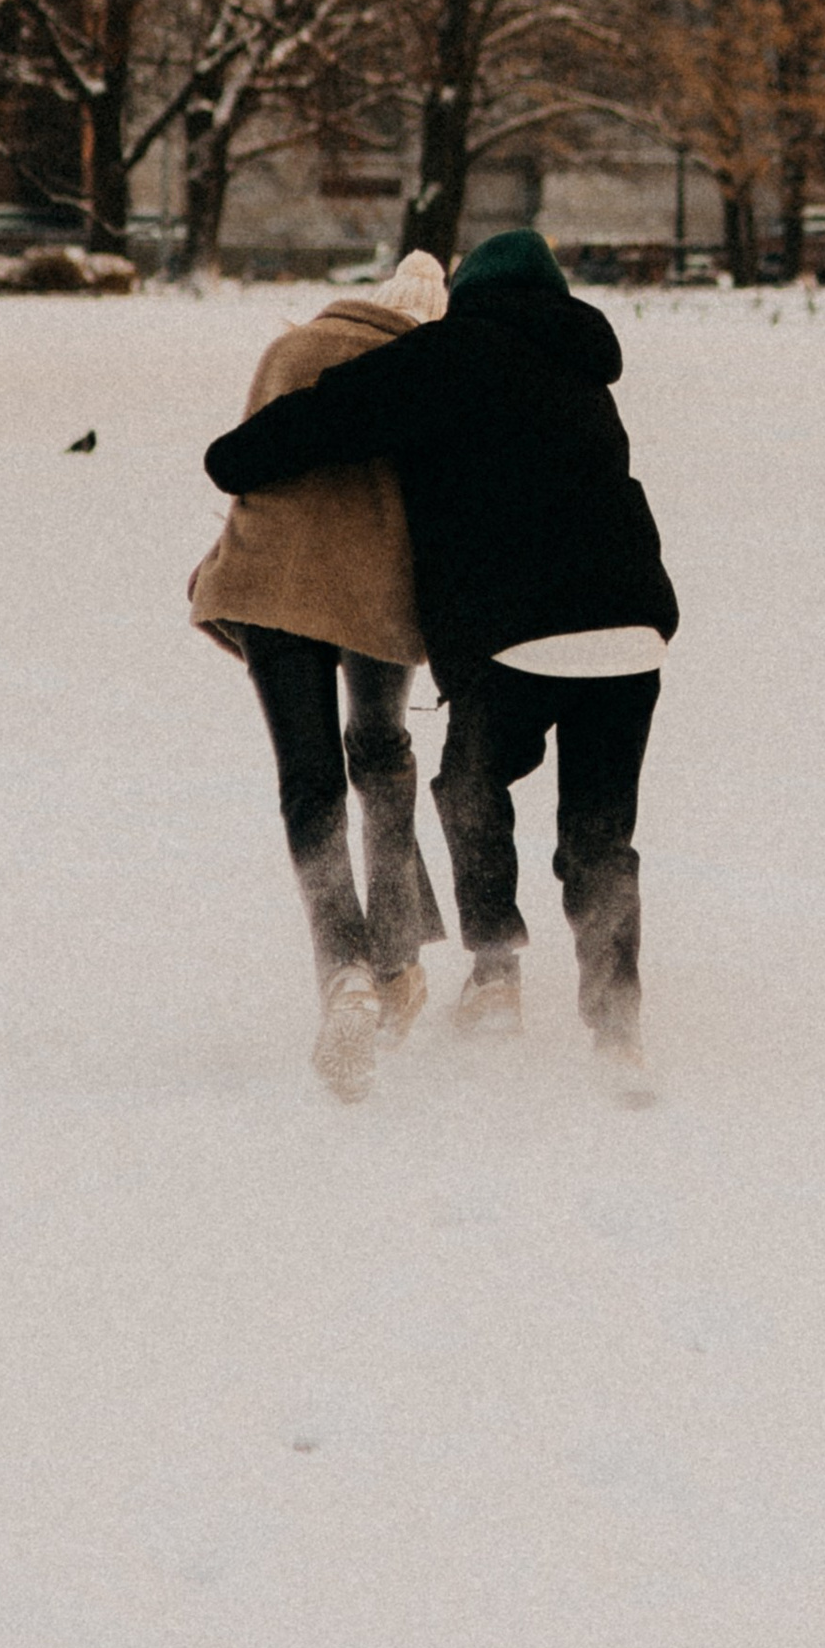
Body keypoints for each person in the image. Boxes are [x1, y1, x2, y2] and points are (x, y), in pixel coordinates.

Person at [204, 228, 676, 1087]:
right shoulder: (584, 371)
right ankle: (619, 1036)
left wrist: (232, 459)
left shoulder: (458, 352)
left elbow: (336, 412)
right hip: (630, 632)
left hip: (516, 634)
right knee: (601, 838)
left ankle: (494, 976)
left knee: (470, 789)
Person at [190, 251, 452, 1102]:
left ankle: (344, 973)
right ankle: (398, 961)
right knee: (380, 755)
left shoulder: (290, 351)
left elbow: (244, 468)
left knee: (309, 783)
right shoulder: (427, 370)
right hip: (377, 596)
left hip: (272, 586)